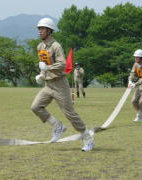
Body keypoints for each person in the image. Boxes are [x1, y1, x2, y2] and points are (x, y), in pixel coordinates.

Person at [31, 17, 95, 151]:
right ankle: (57, 126)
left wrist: (47, 69)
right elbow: (44, 66)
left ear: (49, 30)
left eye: (42, 29)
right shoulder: (40, 47)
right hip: (48, 85)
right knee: (36, 107)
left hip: (60, 84)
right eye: (39, 29)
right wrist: (41, 75)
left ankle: (88, 139)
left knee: (70, 114)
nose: (39, 31)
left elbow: (62, 64)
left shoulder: (56, 46)